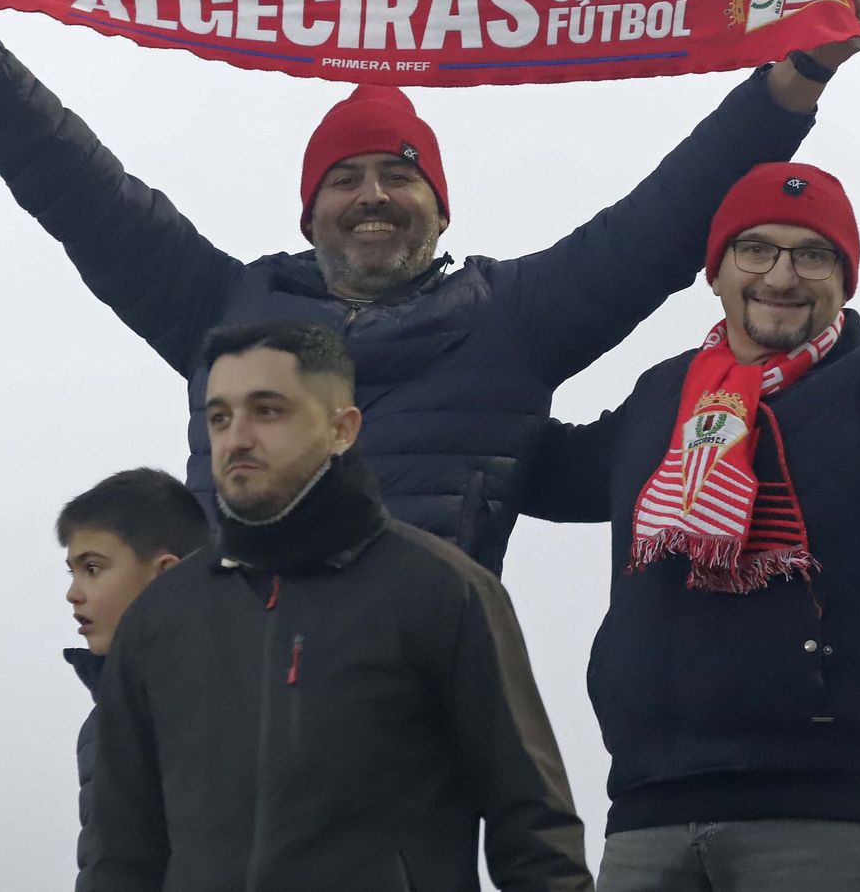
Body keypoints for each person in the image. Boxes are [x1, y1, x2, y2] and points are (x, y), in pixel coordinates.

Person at [0, 0, 860, 574]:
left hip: (412, 738)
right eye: (346, 181)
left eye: (399, 178)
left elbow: (668, 219)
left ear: (438, 210)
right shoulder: (222, 315)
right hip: (223, 721)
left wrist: (796, 72)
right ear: (310, 211)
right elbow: (84, 199)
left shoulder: (514, 325)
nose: (373, 197)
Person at [518, 112, 860, 890]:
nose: (780, 276)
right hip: (646, 812)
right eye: (756, 249)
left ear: (845, 280)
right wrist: (450, 376)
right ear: (716, 269)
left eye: (812, 256)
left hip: (828, 814)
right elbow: (545, 471)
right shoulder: (661, 399)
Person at [86, 321, 593, 890]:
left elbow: (533, 830)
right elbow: (120, 848)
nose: (237, 438)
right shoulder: (161, 618)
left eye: (268, 410)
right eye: (220, 417)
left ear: (342, 429)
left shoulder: (441, 592)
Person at [55, 469, 210, 891]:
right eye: (71, 571)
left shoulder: (219, 700)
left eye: (92, 568)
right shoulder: (106, 718)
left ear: (165, 575)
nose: (73, 593)